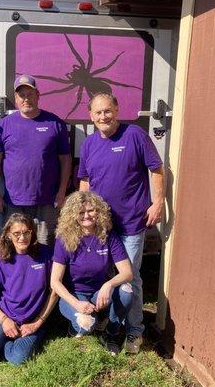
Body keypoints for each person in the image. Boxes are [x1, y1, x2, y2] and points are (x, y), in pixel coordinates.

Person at [78, 92, 164, 354]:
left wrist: (157, 202)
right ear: (90, 115)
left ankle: (135, 330)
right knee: (105, 275)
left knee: (131, 277)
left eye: (108, 111)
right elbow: (85, 181)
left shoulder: (135, 135)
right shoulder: (89, 144)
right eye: (98, 112)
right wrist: (84, 214)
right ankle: (111, 321)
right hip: (101, 226)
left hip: (130, 224)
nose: (103, 116)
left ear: (117, 109)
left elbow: (157, 168)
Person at [0, 74, 72, 247]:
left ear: (38, 95)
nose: (26, 99)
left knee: (44, 246)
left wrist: (62, 191)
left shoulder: (55, 123)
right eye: (21, 95)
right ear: (16, 98)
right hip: (13, 202)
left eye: (30, 94)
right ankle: (16, 275)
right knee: (14, 246)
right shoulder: (5, 124)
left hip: (47, 201)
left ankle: (43, 275)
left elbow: (65, 160)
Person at [0, 213, 57, 365]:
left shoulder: (45, 254)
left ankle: (5, 343)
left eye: (26, 232)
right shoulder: (0, 259)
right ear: (8, 235)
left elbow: (54, 292)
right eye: (17, 233)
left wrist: (37, 322)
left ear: (32, 232)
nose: (22, 238)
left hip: (33, 320)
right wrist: (4, 320)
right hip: (6, 316)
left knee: (17, 359)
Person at [50, 191, 133, 354]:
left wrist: (108, 285)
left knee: (127, 291)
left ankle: (110, 334)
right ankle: (78, 327)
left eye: (91, 211)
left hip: (99, 293)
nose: (86, 216)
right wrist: (77, 304)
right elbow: (55, 282)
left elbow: (127, 273)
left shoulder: (108, 235)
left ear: (99, 212)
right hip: (75, 295)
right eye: (81, 212)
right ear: (73, 215)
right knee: (86, 324)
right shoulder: (64, 238)